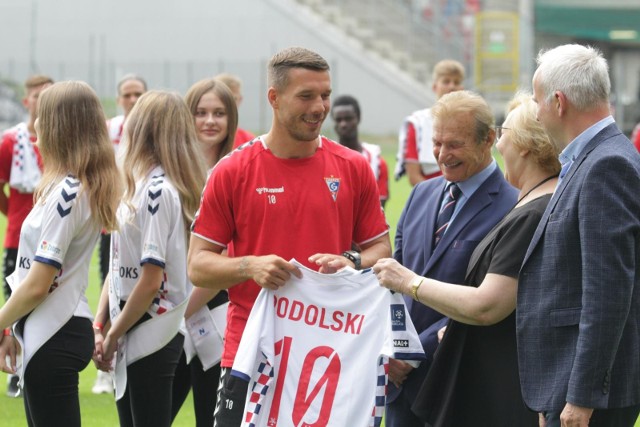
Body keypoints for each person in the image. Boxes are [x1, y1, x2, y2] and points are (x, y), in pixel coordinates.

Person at [188, 46, 391, 427]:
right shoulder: (232, 171)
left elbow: (381, 249)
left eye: (325, 95)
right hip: (249, 352)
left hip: (329, 358)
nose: (319, 107)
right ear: (274, 98)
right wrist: (250, 266)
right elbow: (198, 265)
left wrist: (351, 261)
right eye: (306, 96)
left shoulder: (353, 168)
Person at [374, 91, 560, 426]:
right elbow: (396, 278)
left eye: (454, 144)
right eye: (436, 143)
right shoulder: (421, 194)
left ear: (489, 139)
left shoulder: (516, 206)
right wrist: (394, 346)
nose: (442, 155)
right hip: (398, 382)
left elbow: (495, 301)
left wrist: (415, 353)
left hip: (458, 382)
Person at [518, 44, 640, 427]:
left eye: (537, 101)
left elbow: (608, 292)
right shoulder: (591, 158)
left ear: (558, 102)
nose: (536, 113)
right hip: (567, 384)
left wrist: (581, 397)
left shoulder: (607, 165)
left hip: (587, 398)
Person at [0, 80, 121, 426]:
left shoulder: (69, 192)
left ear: (57, 124)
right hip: (48, 328)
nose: (34, 122)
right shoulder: (65, 185)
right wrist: (10, 329)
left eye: (42, 114)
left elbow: (39, 283)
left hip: (56, 329)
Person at [92, 91, 207, 427]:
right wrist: (102, 323)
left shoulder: (158, 191)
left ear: (141, 129)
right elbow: (118, 266)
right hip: (132, 322)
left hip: (153, 328)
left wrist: (113, 335)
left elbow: (151, 279)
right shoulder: (139, 184)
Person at [170, 78, 237, 427]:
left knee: (211, 418)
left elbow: (223, 260)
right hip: (164, 311)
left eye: (219, 113)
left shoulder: (237, 174)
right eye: (201, 113)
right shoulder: (169, 177)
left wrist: (179, 314)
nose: (210, 121)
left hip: (216, 316)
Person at [92, 74, 147, 395]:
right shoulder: (109, 130)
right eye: (127, 95)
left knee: (144, 289)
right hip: (112, 224)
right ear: (118, 99)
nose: (132, 100)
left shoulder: (155, 132)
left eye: (138, 94)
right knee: (110, 286)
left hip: (146, 224)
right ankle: (105, 366)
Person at [0, 74, 52, 397]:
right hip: (19, 239)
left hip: (55, 240)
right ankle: (15, 368)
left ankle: (45, 365)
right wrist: (17, 217)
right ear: (26, 101)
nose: (42, 101)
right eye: (37, 96)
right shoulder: (10, 142)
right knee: (16, 303)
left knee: (50, 302)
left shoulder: (62, 141)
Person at [395, 59, 464, 186]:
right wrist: (442, 198)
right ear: (434, 86)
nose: (452, 86)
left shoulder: (469, 122)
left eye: (456, 82)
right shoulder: (417, 122)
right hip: (431, 199)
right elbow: (414, 177)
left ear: (462, 88)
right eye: (446, 81)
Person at [331, 94, 389, 207]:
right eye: (338, 120)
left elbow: (379, 205)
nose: (343, 124)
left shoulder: (376, 161)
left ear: (358, 118)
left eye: (348, 119)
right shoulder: (325, 158)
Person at [215, 73, 256, 148]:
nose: (228, 103)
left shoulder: (249, 141)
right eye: (222, 98)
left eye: (233, 99)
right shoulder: (195, 139)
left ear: (240, 100)